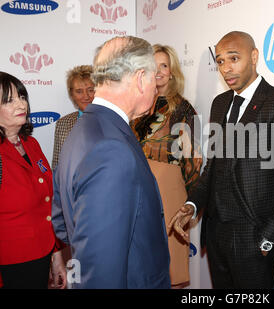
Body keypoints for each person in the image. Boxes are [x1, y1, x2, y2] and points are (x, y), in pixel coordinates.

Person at [169, 31, 274, 288]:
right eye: (220, 61)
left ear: (254, 56)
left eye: (234, 58)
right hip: (216, 234)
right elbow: (213, 165)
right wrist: (193, 204)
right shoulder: (220, 103)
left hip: (254, 238)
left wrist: (269, 238)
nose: (226, 68)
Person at [51, 36, 170, 288]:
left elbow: (62, 224)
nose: (155, 89)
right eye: (152, 80)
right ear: (139, 79)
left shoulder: (85, 127)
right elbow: (102, 271)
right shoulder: (111, 148)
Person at [132, 44, 202, 288]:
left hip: (169, 189)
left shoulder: (182, 109)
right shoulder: (136, 107)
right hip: (136, 188)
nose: (159, 71)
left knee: (171, 265)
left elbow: (193, 159)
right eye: (154, 65)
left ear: (172, 72)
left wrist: (190, 201)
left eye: (164, 65)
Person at [0, 71, 66, 289]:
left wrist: (56, 257)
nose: (21, 105)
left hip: (41, 255)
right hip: (9, 265)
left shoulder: (31, 144)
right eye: (9, 100)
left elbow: (48, 204)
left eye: (21, 96)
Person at [52, 65, 95, 170]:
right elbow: (57, 166)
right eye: (79, 91)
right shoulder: (63, 124)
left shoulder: (113, 121)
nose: (86, 96)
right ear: (72, 95)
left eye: (90, 90)